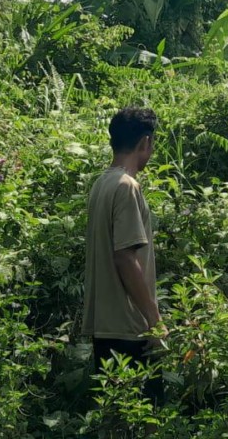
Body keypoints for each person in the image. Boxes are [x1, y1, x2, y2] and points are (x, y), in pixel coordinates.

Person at [82, 106, 165, 406]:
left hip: (105, 327)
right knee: (148, 420)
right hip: (130, 328)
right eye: (152, 144)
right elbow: (125, 259)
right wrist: (155, 321)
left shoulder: (101, 184)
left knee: (115, 420)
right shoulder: (127, 187)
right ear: (145, 142)